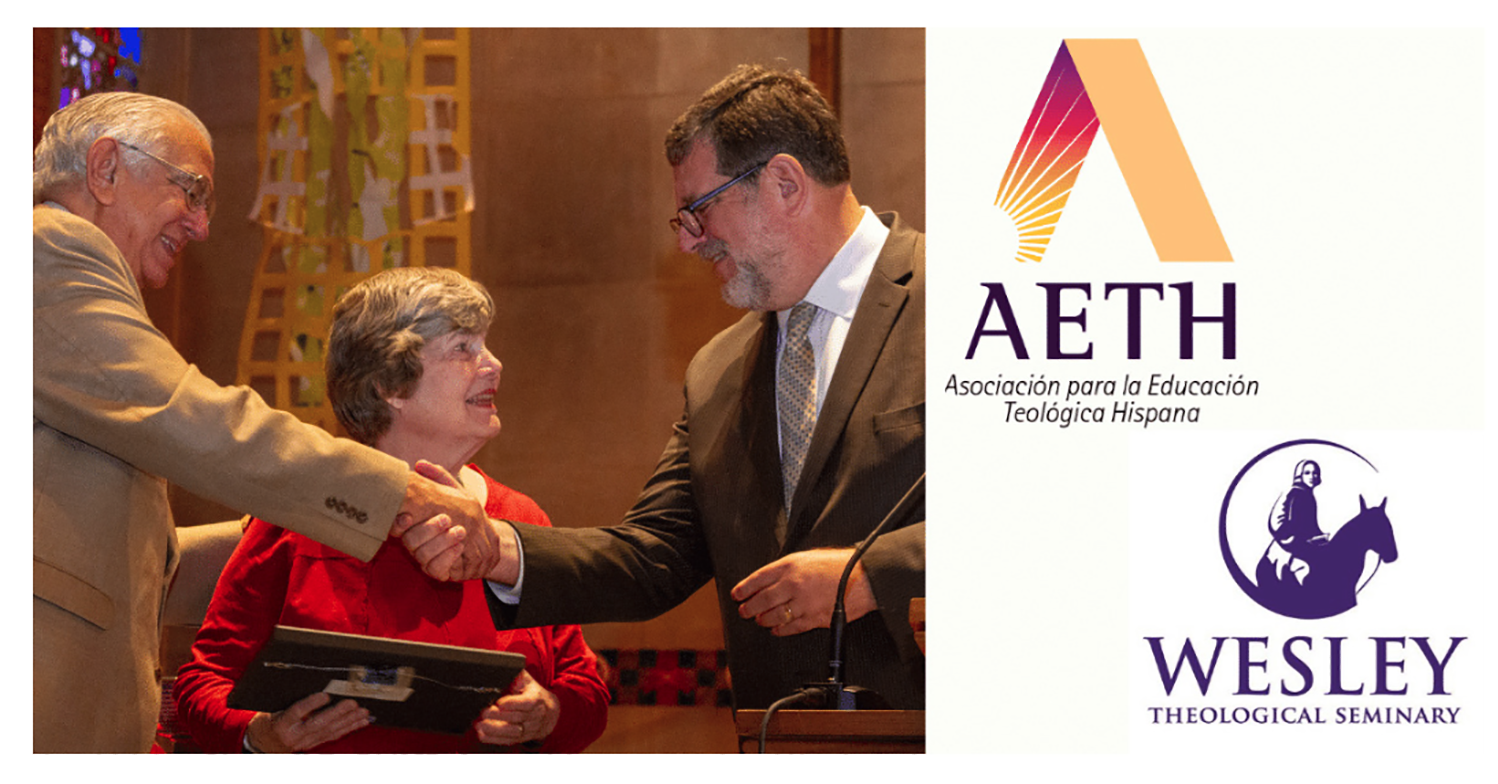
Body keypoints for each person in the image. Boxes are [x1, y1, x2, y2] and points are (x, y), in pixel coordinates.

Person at [406, 64, 925, 710]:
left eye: (699, 211)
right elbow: (652, 558)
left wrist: (875, 576)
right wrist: (497, 550)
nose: (687, 243)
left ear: (785, 184)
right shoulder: (716, 372)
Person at [33, 92, 500, 753]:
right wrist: (396, 494)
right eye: (189, 191)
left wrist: (274, 530)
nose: (200, 225)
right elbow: (186, 416)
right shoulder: (45, 249)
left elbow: (121, 558)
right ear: (106, 167)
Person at [172, 268, 608, 753]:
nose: (495, 364)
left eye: (485, 345)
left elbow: (585, 688)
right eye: (464, 348)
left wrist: (548, 714)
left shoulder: (518, 519)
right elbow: (202, 681)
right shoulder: (300, 515)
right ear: (389, 385)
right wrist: (261, 736)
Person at [1266, 459, 1330, 584]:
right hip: (1292, 539)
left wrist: (1321, 537)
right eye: (1307, 473)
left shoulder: (1307, 494)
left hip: (1302, 538)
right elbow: (1293, 524)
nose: (1312, 476)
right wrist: (1311, 539)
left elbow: (1310, 524)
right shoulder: (1298, 494)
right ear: (1299, 475)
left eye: (1315, 473)